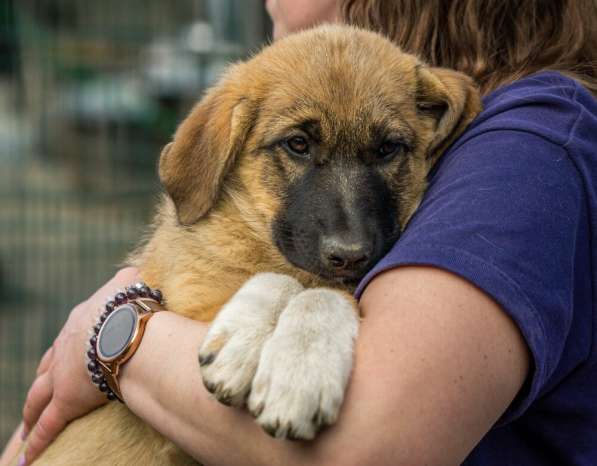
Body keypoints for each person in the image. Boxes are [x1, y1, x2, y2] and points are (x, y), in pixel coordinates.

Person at [2, 0, 597, 464]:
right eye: (296, 145)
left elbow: (364, 443)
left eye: (389, 149)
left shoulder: (525, 150)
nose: (348, 243)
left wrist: (115, 333)